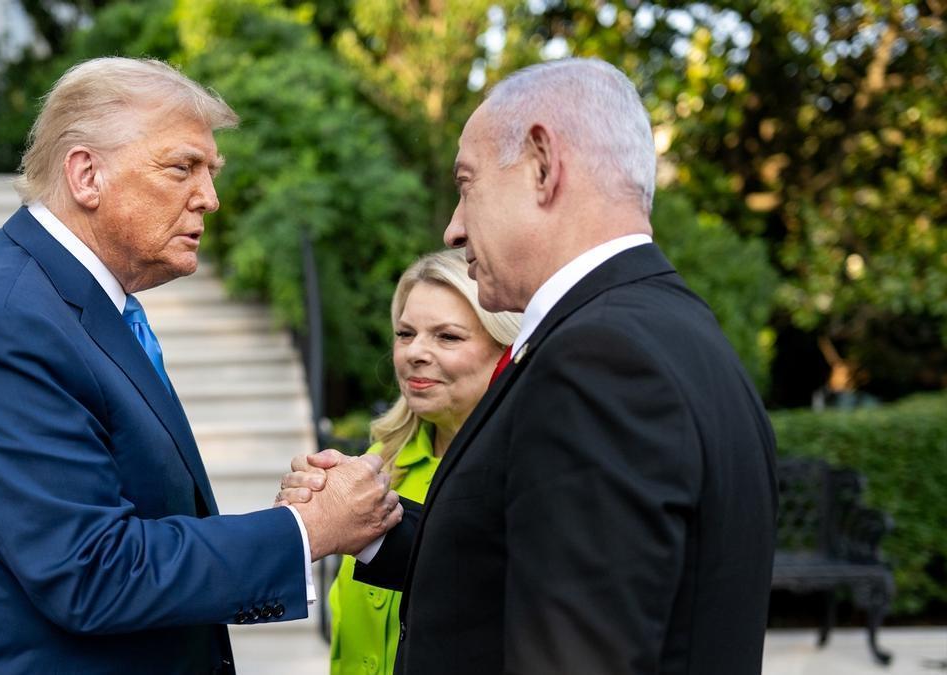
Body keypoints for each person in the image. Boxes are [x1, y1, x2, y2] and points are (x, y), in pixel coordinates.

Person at [0, 57, 401, 674]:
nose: (209, 198)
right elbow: (91, 572)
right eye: (182, 168)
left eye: (210, 172)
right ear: (86, 175)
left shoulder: (63, 302)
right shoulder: (8, 322)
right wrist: (305, 529)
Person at [281, 58, 778, 674]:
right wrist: (378, 526)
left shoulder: (597, 360)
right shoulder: (678, 327)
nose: (454, 228)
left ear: (543, 166)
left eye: (467, 185)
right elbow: (522, 567)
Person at [327, 249, 519, 675]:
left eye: (447, 336)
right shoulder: (375, 468)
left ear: (505, 347)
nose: (415, 352)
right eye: (405, 333)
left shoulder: (524, 476)